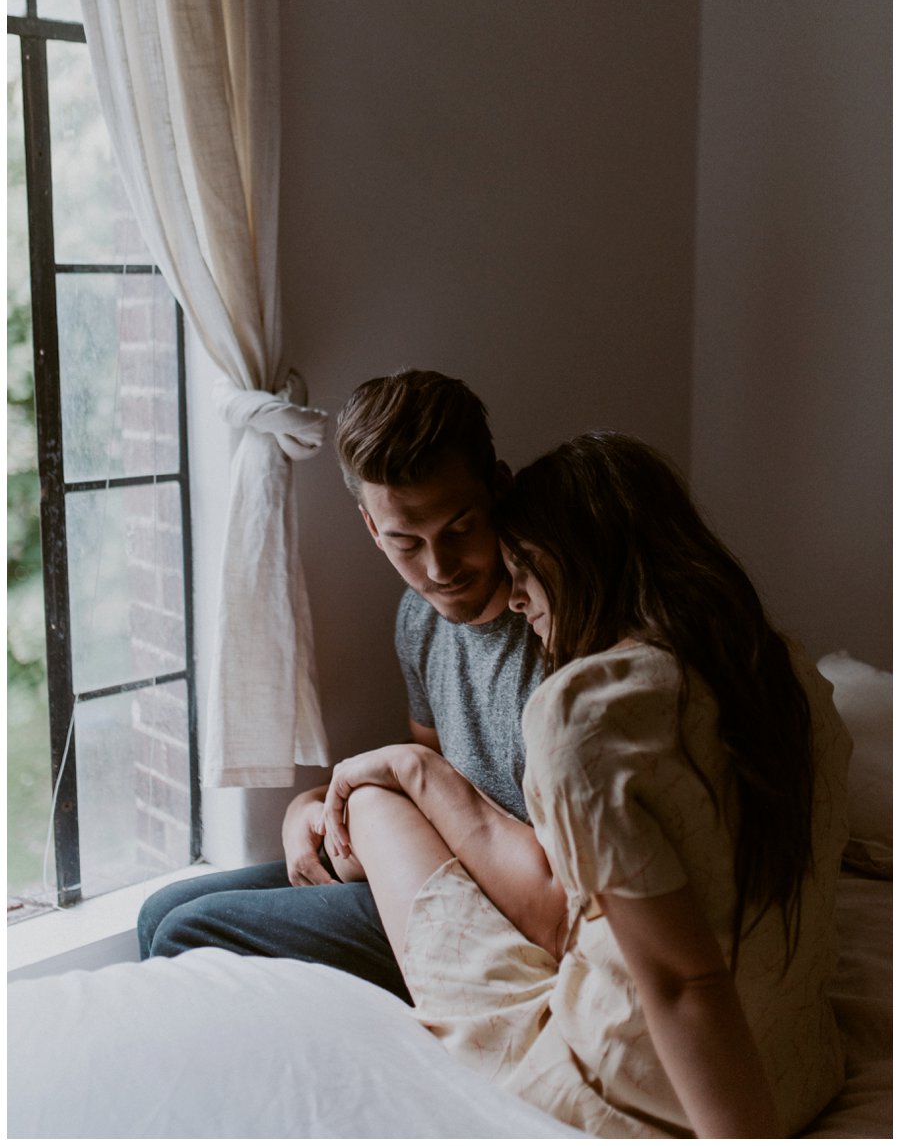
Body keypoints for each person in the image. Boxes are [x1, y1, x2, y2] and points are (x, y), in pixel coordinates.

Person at [318, 432, 851, 1138]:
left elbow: (683, 982)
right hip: (804, 1069)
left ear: (571, 564)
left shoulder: (585, 711)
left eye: (526, 574)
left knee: (374, 800)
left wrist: (405, 770)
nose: (517, 604)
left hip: (640, 1088)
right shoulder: (787, 675)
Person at [137, 370, 543, 999]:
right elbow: (427, 766)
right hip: (419, 859)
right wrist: (316, 808)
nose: (439, 569)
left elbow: (560, 877)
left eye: (459, 529)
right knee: (158, 911)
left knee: (186, 935)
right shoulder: (419, 619)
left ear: (499, 488)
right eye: (407, 542)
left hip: (487, 901)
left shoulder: (554, 632)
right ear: (372, 528)